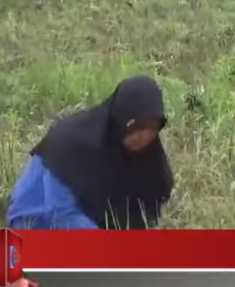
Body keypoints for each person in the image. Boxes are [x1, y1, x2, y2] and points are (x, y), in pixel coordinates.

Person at [6, 75, 174, 230]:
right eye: (137, 126)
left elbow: (151, 207)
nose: (144, 136)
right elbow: (60, 212)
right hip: (38, 219)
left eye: (152, 128)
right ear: (121, 120)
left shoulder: (149, 157)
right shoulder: (70, 144)